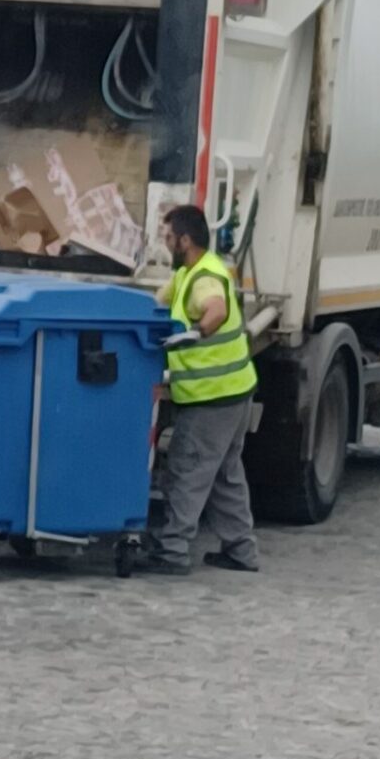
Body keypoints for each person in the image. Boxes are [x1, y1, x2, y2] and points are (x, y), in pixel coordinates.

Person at [149, 204, 260, 575]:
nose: (165, 244)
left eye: (168, 238)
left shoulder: (204, 279)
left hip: (211, 397)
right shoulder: (189, 273)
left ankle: (172, 550)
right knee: (225, 475)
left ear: (184, 240)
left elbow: (216, 309)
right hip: (235, 391)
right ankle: (241, 550)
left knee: (187, 469)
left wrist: (196, 332)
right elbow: (155, 303)